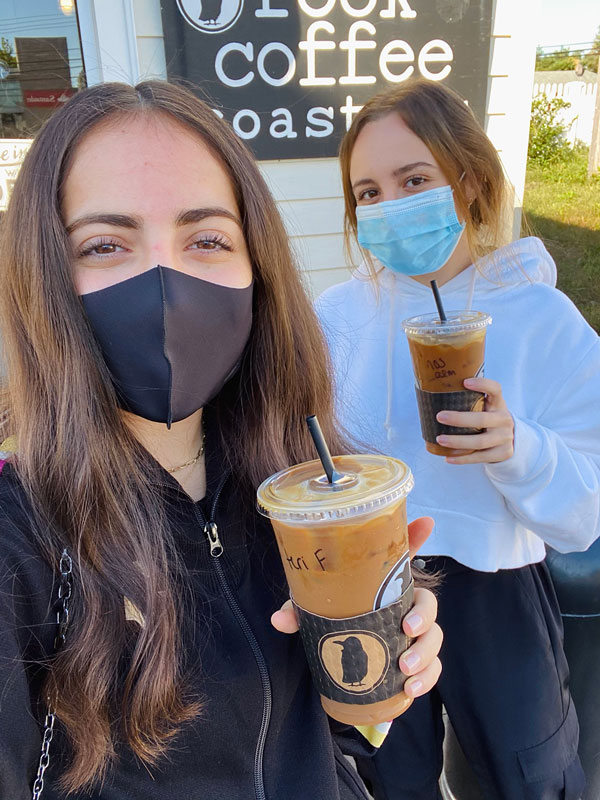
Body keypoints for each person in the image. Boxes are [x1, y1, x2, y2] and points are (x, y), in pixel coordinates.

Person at [0, 81, 443, 800]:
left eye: (206, 239)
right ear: (44, 275)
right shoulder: (18, 537)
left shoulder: (292, 478)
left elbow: (327, 735)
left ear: (255, 268)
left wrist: (380, 667)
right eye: (106, 244)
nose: (163, 282)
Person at [316, 78, 600, 799]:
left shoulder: (543, 318)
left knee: (527, 772)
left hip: (497, 588)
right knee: (388, 775)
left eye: (415, 180)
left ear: (468, 181)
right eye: (369, 194)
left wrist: (517, 447)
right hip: (372, 583)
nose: (390, 206)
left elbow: (586, 512)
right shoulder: (336, 320)